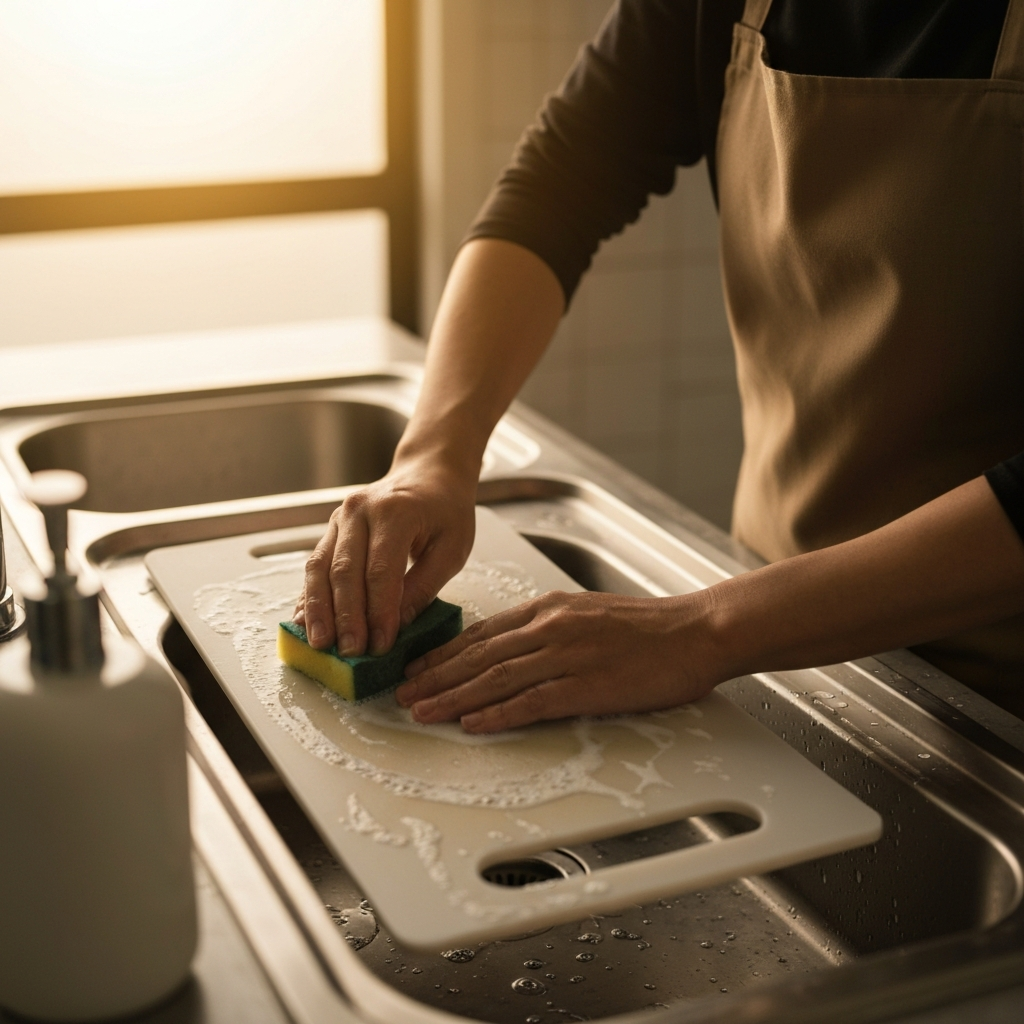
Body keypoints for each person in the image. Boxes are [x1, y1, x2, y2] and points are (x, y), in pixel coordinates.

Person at [295, 0, 1024, 732]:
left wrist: (702, 629)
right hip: (781, 632)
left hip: (995, 678)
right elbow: (556, 185)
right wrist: (431, 458)